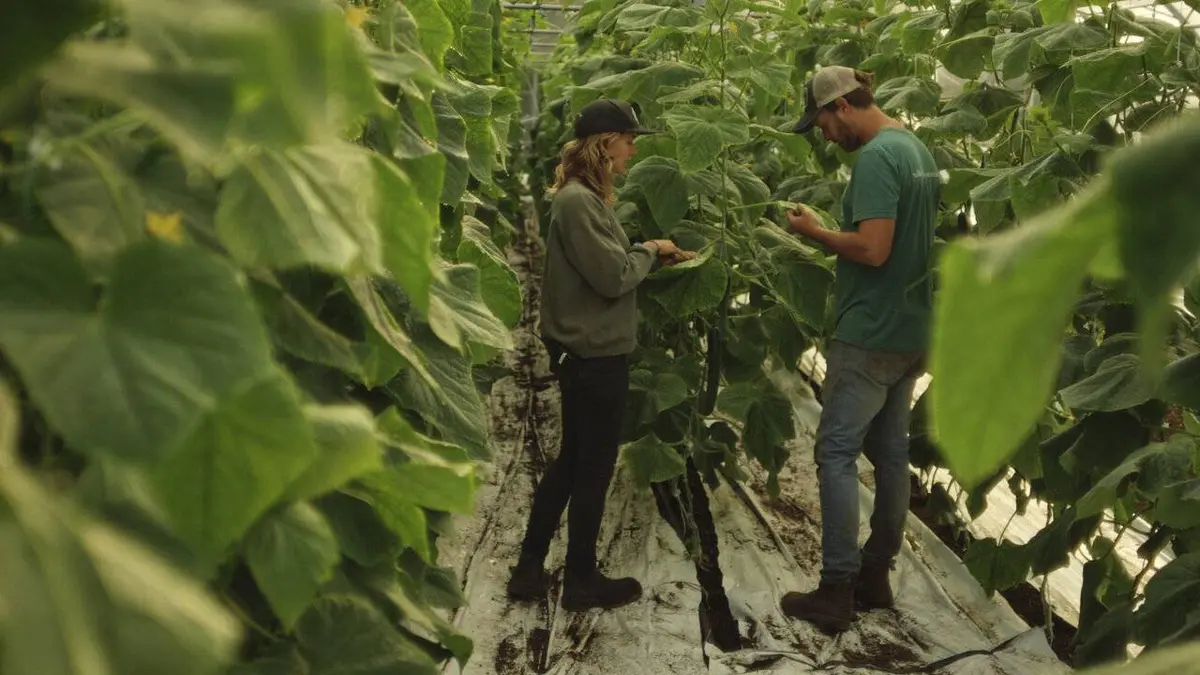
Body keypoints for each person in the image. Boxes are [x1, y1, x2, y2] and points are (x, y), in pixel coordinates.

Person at [507, 98, 694, 611]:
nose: (634, 149)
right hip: (593, 354)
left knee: (572, 462)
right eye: (630, 139)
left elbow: (610, 266)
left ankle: (529, 568)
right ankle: (581, 581)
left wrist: (648, 254)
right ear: (605, 143)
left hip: (585, 352)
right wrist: (651, 250)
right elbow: (612, 277)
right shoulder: (576, 202)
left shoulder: (585, 199)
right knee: (591, 468)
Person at [779, 66, 940, 632]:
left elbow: (873, 250)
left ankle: (836, 588)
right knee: (892, 455)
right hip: (911, 329)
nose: (824, 135)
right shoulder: (915, 148)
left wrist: (815, 233)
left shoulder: (875, 159)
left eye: (822, 122)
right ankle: (876, 576)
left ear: (842, 106)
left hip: (869, 331)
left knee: (837, 454)